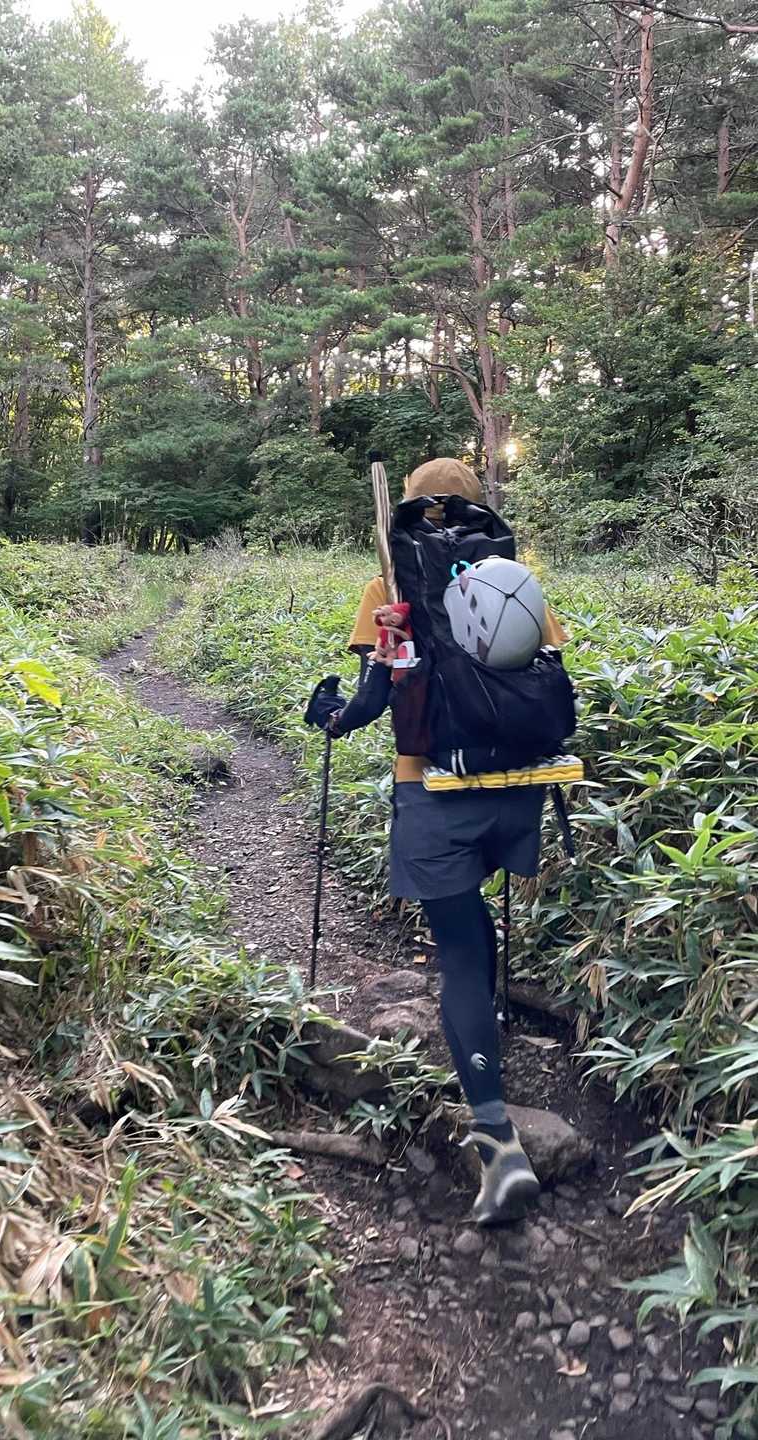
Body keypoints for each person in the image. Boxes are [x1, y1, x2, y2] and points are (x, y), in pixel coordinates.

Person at [319, 458, 566, 1226]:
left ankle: (498, 1143)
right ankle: (489, 1029)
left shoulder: (391, 583)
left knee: (459, 949)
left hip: (434, 789)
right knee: (477, 928)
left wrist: (328, 715)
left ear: (409, 509)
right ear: (476, 508)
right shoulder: (515, 577)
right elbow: (546, 671)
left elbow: (373, 698)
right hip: (520, 789)